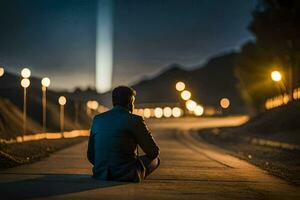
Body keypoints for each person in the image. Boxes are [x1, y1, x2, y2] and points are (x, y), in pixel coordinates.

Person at [87, 86, 160, 182]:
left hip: (101, 174)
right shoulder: (135, 120)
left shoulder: (97, 119)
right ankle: (135, 174)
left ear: (114, 102)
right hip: (127, 174)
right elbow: (153, 152)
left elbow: (91, 155)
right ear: (130, 103)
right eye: (133, 102)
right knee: (156, 160)